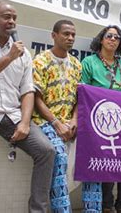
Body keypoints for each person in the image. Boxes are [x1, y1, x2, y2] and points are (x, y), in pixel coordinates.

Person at [0, 1, 55, 213]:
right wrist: (9, 57)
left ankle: (37, 210)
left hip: (13, 114)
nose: (11, 22)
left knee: (47, 151)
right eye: (6, 17)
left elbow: (28, 91)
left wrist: (25, 122)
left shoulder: (24, 54)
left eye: (14, 18)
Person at [32, 19, 97, 212]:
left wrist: (75, 120)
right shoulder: (40, 61)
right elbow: (36, 98)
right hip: (44, 121)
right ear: (54, 35)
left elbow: (79, 98)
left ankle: (93, 209)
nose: (70, 38)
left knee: (94, 153)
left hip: (71, 121)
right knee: (59, 154)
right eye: (66, 34)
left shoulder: (76, 65)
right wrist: (56, 123)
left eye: (73, 35)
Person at [81, 25, 121, 213]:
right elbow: (83, 92)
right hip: (98, 122)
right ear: (101, 39)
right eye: (109, 36)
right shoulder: (89, 62)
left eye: (117, 37)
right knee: (107, 163)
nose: (113, 39)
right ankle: (107, 205)